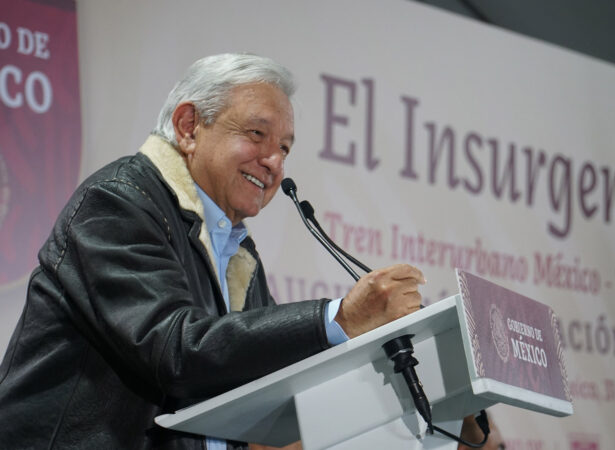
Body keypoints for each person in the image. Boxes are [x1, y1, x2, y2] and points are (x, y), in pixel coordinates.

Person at [0, 53, 425, 449]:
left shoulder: (239, 252)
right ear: (188, 126)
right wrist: (339, 318)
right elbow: (175, 349)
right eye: (258, 134)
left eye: (285, 149)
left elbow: (260, 382)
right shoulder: (116, 204)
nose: (275, 162)